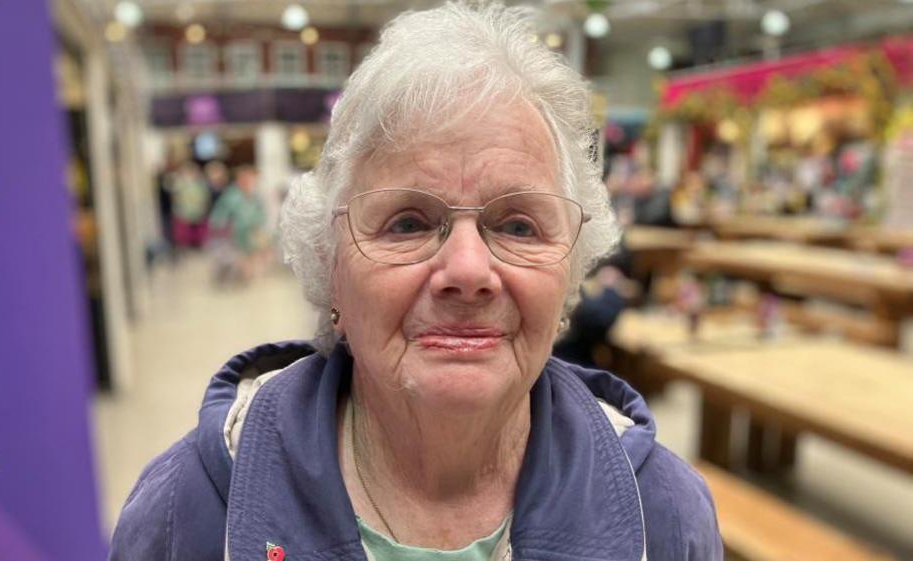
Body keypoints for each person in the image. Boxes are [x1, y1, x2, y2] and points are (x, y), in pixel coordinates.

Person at [109, 3, 721, 560]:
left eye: (517, 224)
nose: (468, 272)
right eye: (407, 222)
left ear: (570, 272)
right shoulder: (183, 513)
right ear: (330, 270)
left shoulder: (665, 518)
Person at [208, 165, 268, 284]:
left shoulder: (255, 196)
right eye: (245, 179)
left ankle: (249, 276)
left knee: (256, 253)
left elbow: (261, 212)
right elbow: (219, 214)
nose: (249, 182)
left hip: (252, 232)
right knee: (239, 257)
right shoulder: (231, 195)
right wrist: (220, 227)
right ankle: (241, 276)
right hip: (234, 234)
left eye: (251, 180)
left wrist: (258, 223)